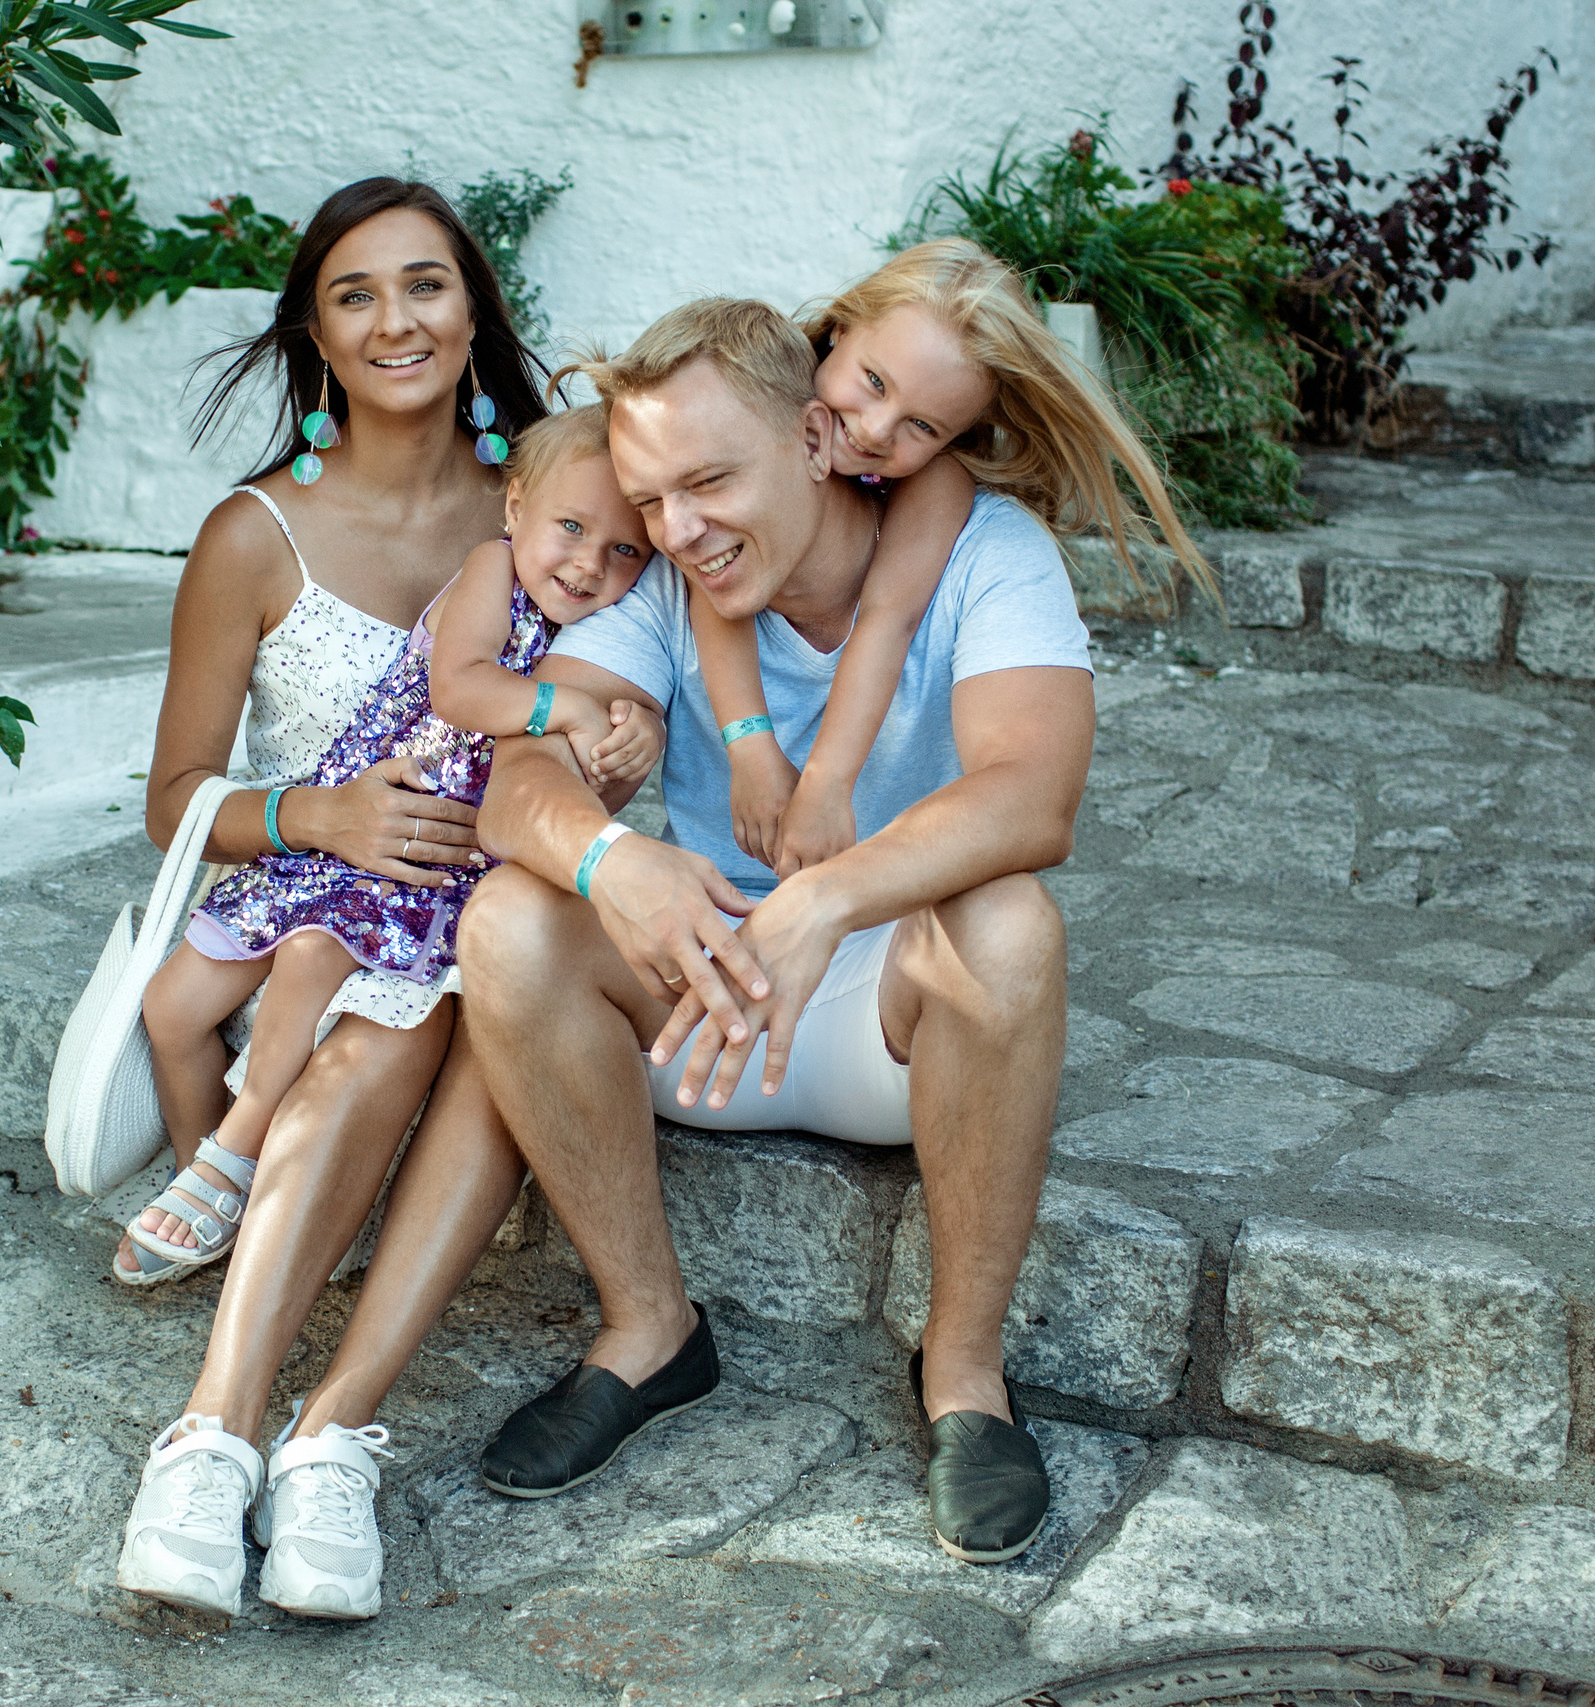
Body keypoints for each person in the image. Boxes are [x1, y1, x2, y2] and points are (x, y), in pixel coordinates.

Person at [459, 289, 1144, 1565]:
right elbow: (518, 779)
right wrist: (617, 861)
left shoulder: (986, 554)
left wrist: (826, 899)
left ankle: (964, 1374)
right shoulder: (668, 579)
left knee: (1009, 923)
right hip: (704, 997)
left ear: (815, 439)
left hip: (887, 1016)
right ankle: (647, 1331)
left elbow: (1030, 793)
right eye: (652, 497)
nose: (678, 530)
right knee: (511, 917)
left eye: (708, 482)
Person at [106, 178, 555, 1624]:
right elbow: (175, 798)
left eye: (425, 284)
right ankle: (226, 1438)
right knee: (374, 1016)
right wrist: (328, 815)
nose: (395, 318)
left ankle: (285, 1435)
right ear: (314, 329)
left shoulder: (555, 510)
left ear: (474, 306)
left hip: (504, 901)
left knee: (444, 992)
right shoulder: (254, 532)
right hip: (328, 903)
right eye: (355, 293)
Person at [125, 405, 658, 1286]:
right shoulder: (493, 572)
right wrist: (563, 708)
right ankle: (213, 1186)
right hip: (359, 823)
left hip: (426, 869)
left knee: (307, 958)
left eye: (623, 552)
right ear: (514, 507)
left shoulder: (603, 633)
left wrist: (628, 740)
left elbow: (590, 789)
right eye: (571, 527)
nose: (589, 564)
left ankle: (240, 1141)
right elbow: (460, 688)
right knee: (174, 1006)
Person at [698, 238, 1209, 874]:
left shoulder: (934, 487)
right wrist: (749, 749)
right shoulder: (756, 405)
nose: (877, 429)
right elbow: (709, 576)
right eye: (875, 381)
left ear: (955, 436)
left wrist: (827, 784)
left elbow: (887, 619)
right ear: (842, 324)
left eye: (924, 426)